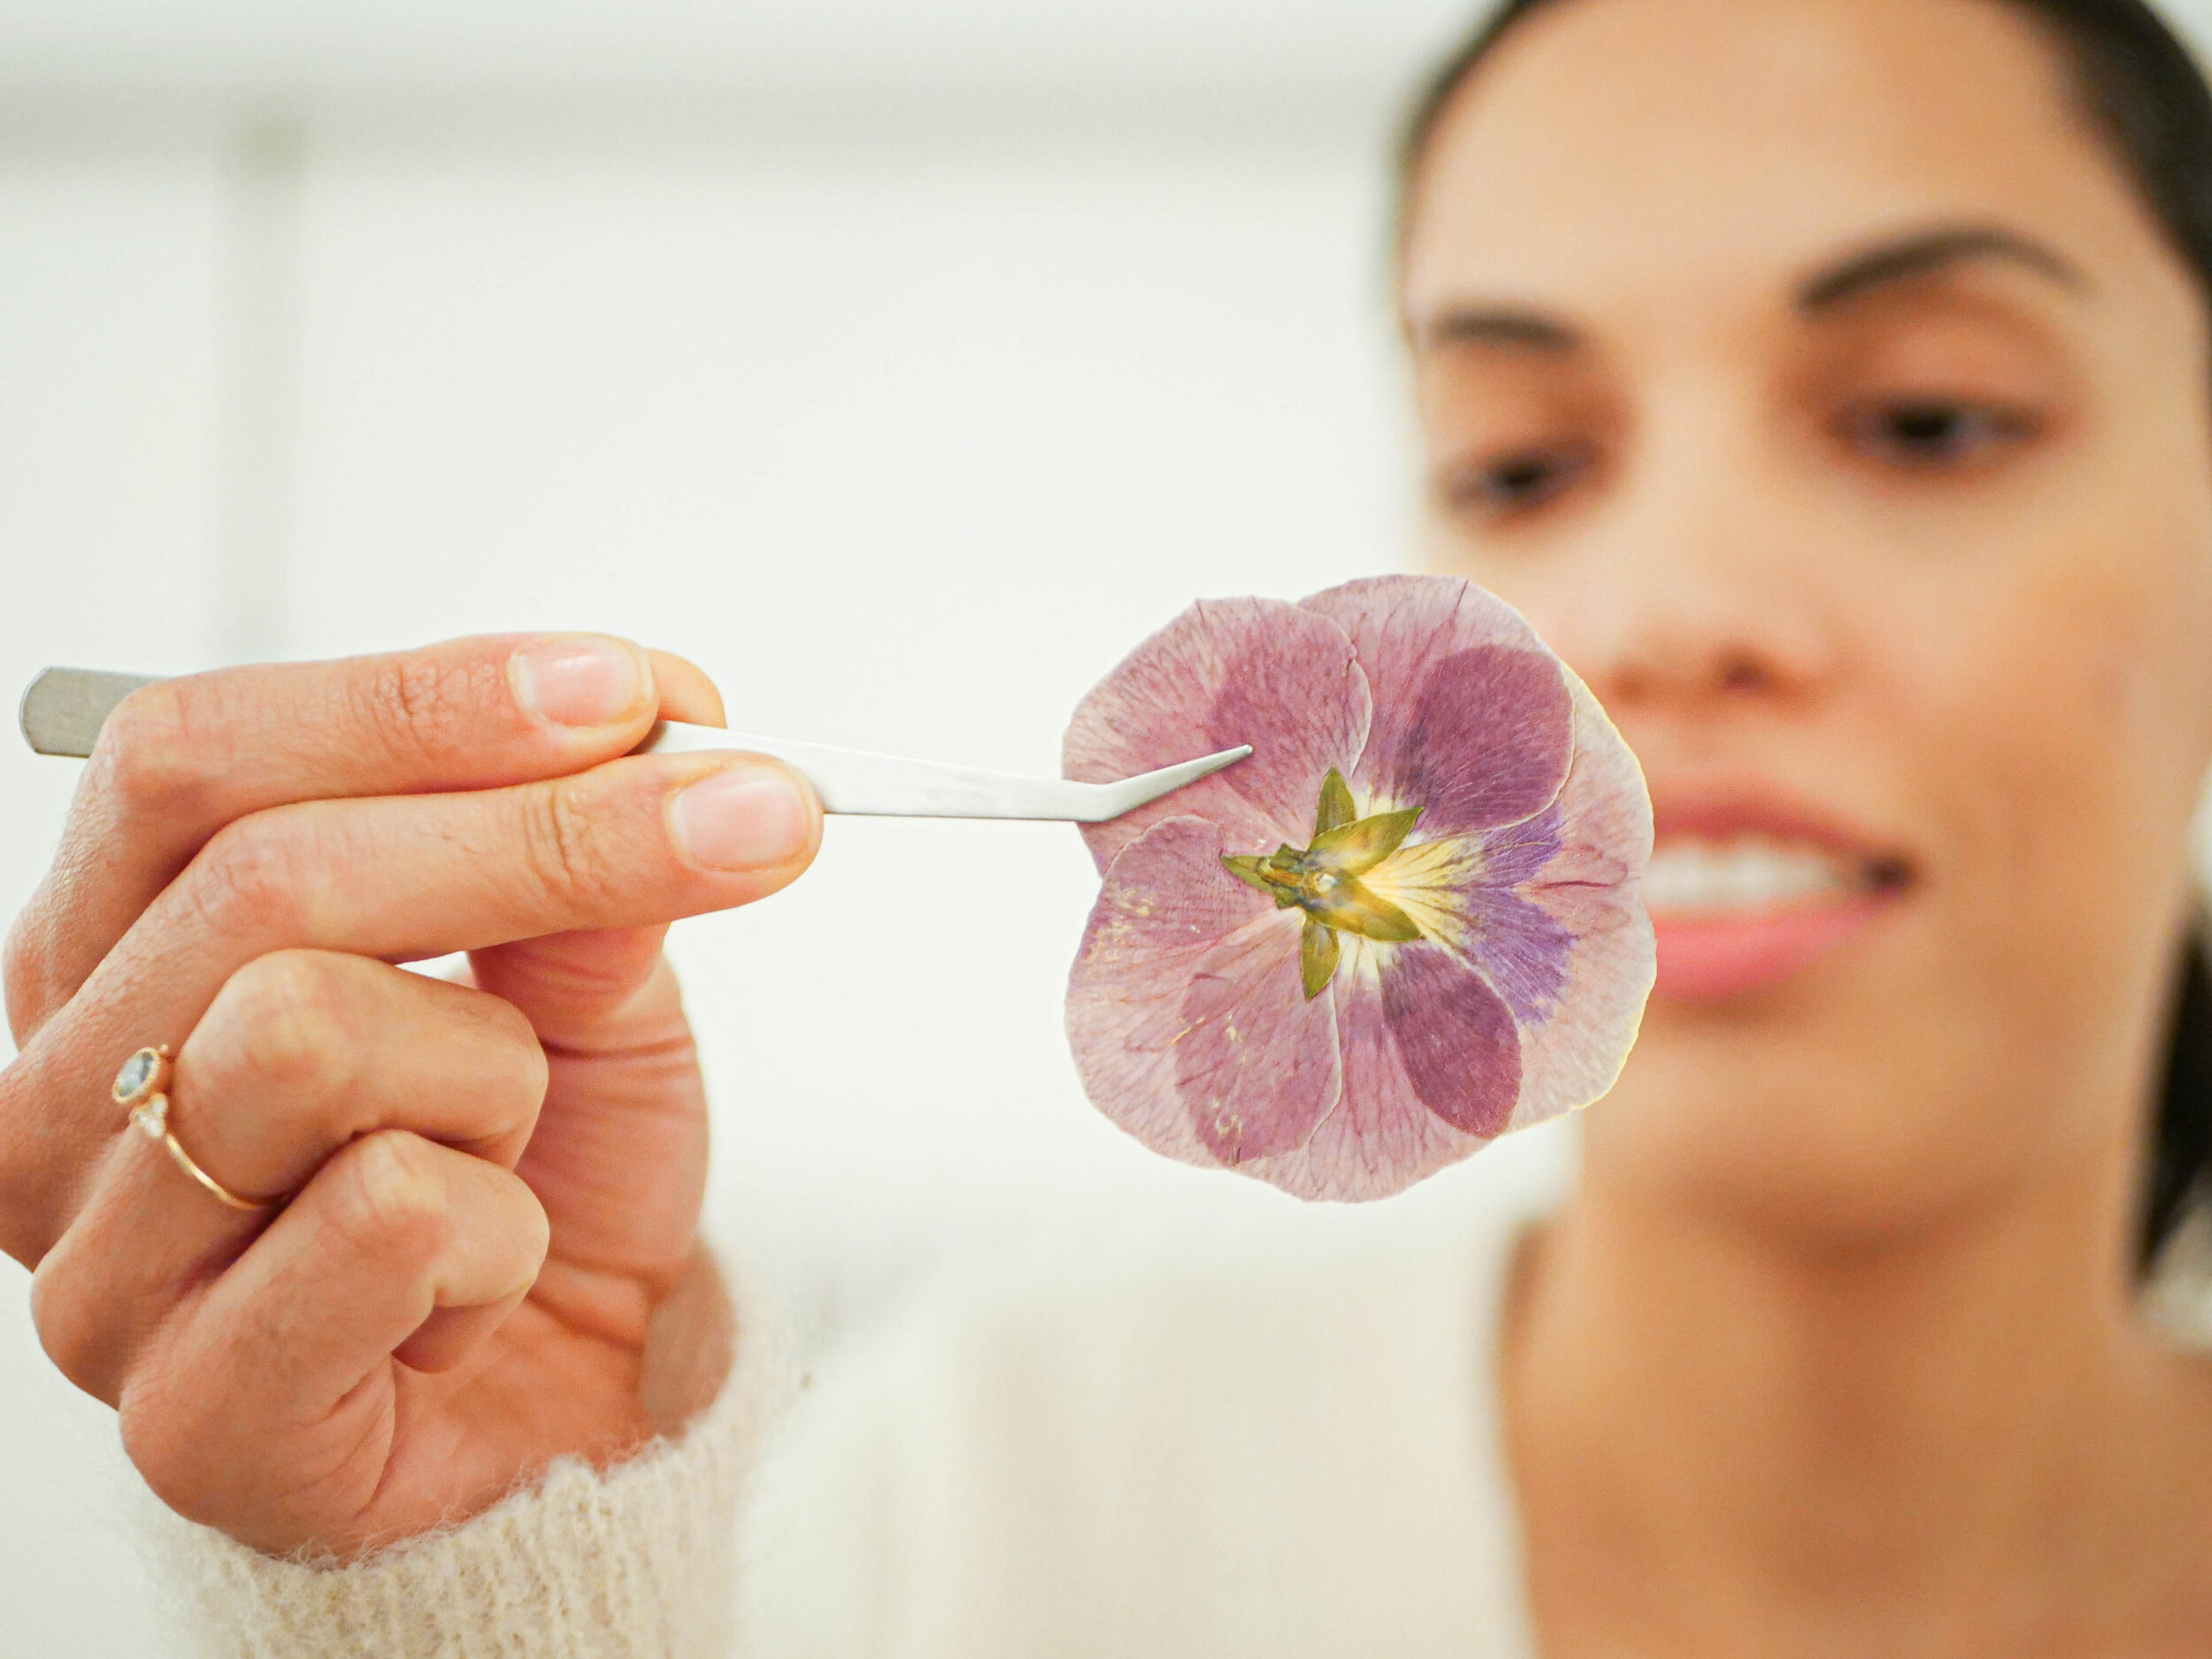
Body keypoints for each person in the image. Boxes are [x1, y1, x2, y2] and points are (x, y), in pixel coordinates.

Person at [10, 0, 2212, 1650]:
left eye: (1927, 418)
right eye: (1522, 465)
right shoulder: (976, 1512)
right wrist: (492, 1594)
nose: (1658, 614)